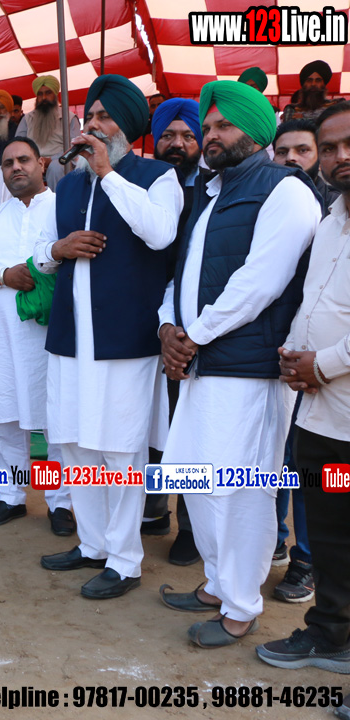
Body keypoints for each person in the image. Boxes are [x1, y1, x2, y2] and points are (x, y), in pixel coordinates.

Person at [157, 80, 320, 648]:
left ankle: (242, 606)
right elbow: (181, 276)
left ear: (255, 131)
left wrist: (193, 336)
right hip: (202, 361)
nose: (211, 135)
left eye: (223, 125)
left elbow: (260, 282)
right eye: (208, 126)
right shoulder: (209, 192)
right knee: (198, 482)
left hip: (248, 369)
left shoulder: (287, 191)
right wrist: (168, 329)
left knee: (241, 490)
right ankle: (217, 584)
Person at [35, 74, 183, 600]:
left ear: (129, 126)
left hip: (125, 341)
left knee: (119, 451)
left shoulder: (158, 176)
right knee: (74, 444)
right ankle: (93, 544)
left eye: (104, 117)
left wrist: (108, 173)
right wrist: (58, 250)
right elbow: (40, 255)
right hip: (71, 339)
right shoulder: (67, 183)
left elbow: (160, 234)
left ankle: (124, 560)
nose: (93, 125)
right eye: (90, 116)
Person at [256, 101, 350, 675]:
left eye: (348, 144)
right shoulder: (329, 221)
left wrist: (323, 364)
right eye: (332, 147)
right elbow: (312, 303)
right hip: (320, 417)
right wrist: (294, 357)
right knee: (332, 534)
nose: (341, 156)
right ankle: (330, 634)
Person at [0, 137, 74, 535]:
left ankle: (61, 502)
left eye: (23, 160)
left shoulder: (63, 208)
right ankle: (11, 496)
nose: (15, 168)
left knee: (56, 422)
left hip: (52, 335)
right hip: (2, 333)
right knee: (6, 418)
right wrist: (4, 275)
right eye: (8, 163)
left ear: (42, 164)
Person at [141, 97, 204, 566]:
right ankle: (154, 509)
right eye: (168, 136)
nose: (177, 144)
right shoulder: (142, 185)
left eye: (187, 136)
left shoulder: (212, 191)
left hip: (192, 326)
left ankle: (192, 528)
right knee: (151, 421)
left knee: (187, 425)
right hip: (145, 321)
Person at [16, 76, 82, 190]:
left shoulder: (69, 118)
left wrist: (52, 159)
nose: (44, 98)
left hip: (60, 161)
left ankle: (58, 201)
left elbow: (75, 148)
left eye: (48, 93)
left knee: (56, 167)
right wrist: (34, 160)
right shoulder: (27, 119)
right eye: (40, 94)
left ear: (56, 95)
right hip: (33, 161)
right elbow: (18, 144)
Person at [274, 118, 342, 209]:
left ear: (321, 159)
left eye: (303, 150)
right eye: (282, 152)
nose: (290, 158)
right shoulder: (261, 199)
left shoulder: (340, 206)